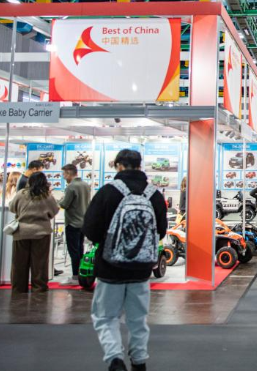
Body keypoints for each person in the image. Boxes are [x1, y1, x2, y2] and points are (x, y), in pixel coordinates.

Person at [83, 149, 168, 371]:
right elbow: (161, 231)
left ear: (118, 166)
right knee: (138, 319)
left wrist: (109, 242)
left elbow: (90, 229)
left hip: (110, 268)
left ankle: (115, 359)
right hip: (141, 270)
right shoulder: (154, 195)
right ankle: (139, 361)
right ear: (140, 165)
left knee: (105, 317)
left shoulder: (107, 192)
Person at [9, 172, 59, 293]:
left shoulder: (21, 194)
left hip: (21, 232)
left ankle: (19, 288)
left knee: (19, 262)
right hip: (41, 233)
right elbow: (54, 211)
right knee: (40, 263)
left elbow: (12, 208)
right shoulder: (47, 196)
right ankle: (39, 288)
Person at [59, 164, 91, 285]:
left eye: (64, 174)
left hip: (72, 223)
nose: (63, 177)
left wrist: (57, 200)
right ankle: (80, 275)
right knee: (80, 249)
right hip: (83, 222)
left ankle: (75, 277)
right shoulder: (86, 185)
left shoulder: (71, 187)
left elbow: (64, 204)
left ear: (68, 173)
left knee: (73, 251)